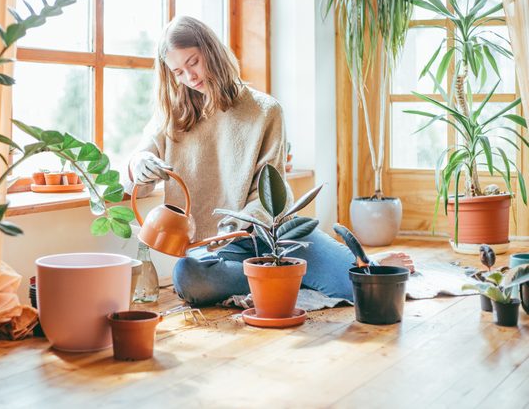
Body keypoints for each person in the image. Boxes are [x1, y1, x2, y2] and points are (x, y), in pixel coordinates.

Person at [127, 16, 414, 306]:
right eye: (177, 72)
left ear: (211, 52)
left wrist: (236, 226)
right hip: (216, 252)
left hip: (275, 237)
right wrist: (140, 164)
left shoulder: (265, 110)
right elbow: (138, 171)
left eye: (193, 62)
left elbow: (270, 194)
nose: (189, 77)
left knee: (363, 286)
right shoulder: (170, 117)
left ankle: (298, 269)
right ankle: (286, 275)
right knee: (188, 278)